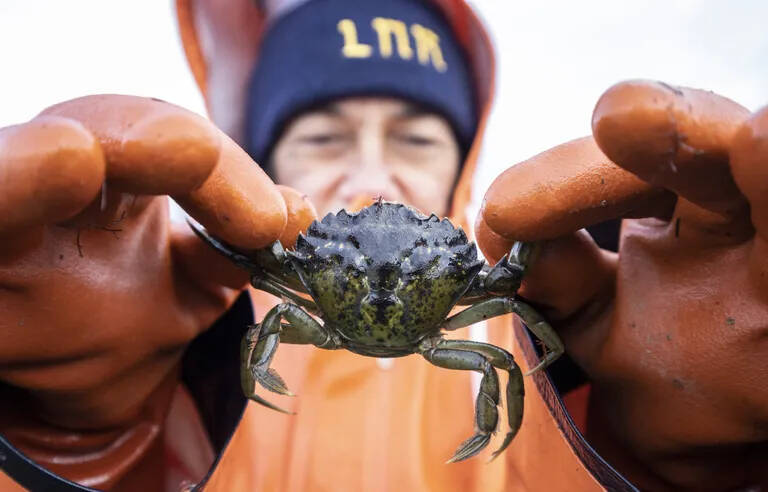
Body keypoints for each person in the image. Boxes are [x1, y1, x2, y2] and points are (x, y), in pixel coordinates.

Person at [0, 2, 765, 492]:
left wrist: (663, 458)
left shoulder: (535, 321)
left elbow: (513, 342)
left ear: (464, 156)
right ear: (261, 159)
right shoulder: (187, 326)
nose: (370, 172)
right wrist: (56, 435)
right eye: (325, 134)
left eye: (415, 137)